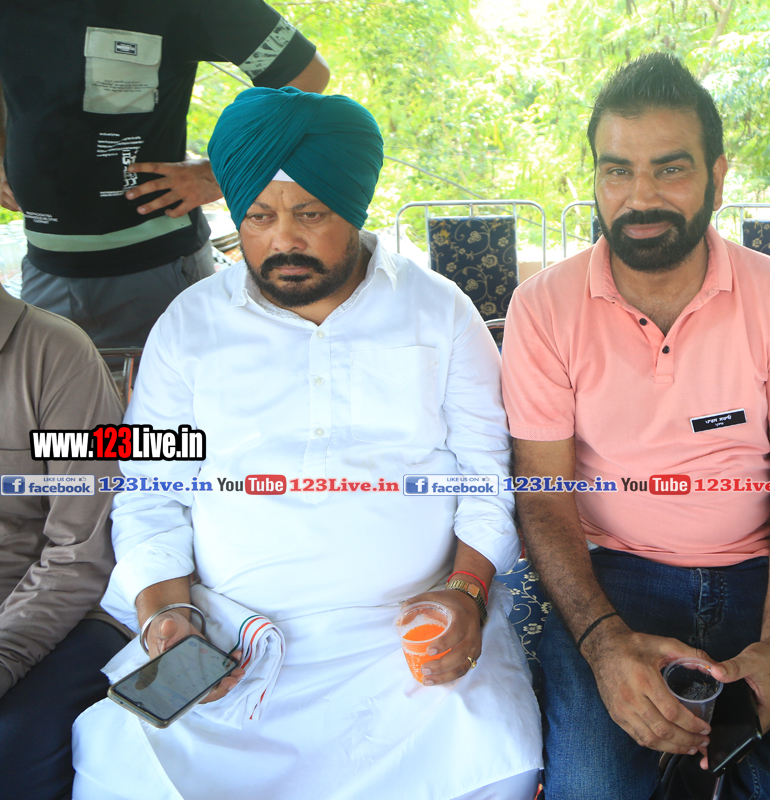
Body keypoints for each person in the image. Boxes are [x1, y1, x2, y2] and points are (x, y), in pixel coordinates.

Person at [71, 87, 541, 800]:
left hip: (408, 635)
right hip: (229, 635)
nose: (282, 240)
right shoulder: (189, 325)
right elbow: (151, 494)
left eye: (310, 214)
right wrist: (168, 618)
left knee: (491, 769)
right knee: (128, 777)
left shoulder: (439, 309)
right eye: (258, 217)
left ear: (353, 208)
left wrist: (467, 593)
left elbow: (485, 478)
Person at [501, 53, 770, 798]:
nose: (640, 197)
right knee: (594, 792)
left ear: (717, 177)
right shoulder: (542, 307)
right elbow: (541, 493)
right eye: (617, 171)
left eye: (670, 169)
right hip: (612, 577)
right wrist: (604, 644)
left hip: (764, 577)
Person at [0, 0, 329, 354]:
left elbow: (306, 75)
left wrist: (218, 173)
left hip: (156, 270)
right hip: (43, 268)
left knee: (181, 387)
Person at [0, 283, 128, 798]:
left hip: (59, 611)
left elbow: (83, 551)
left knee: (12, 745)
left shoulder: (57, 352)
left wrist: (4, 654)